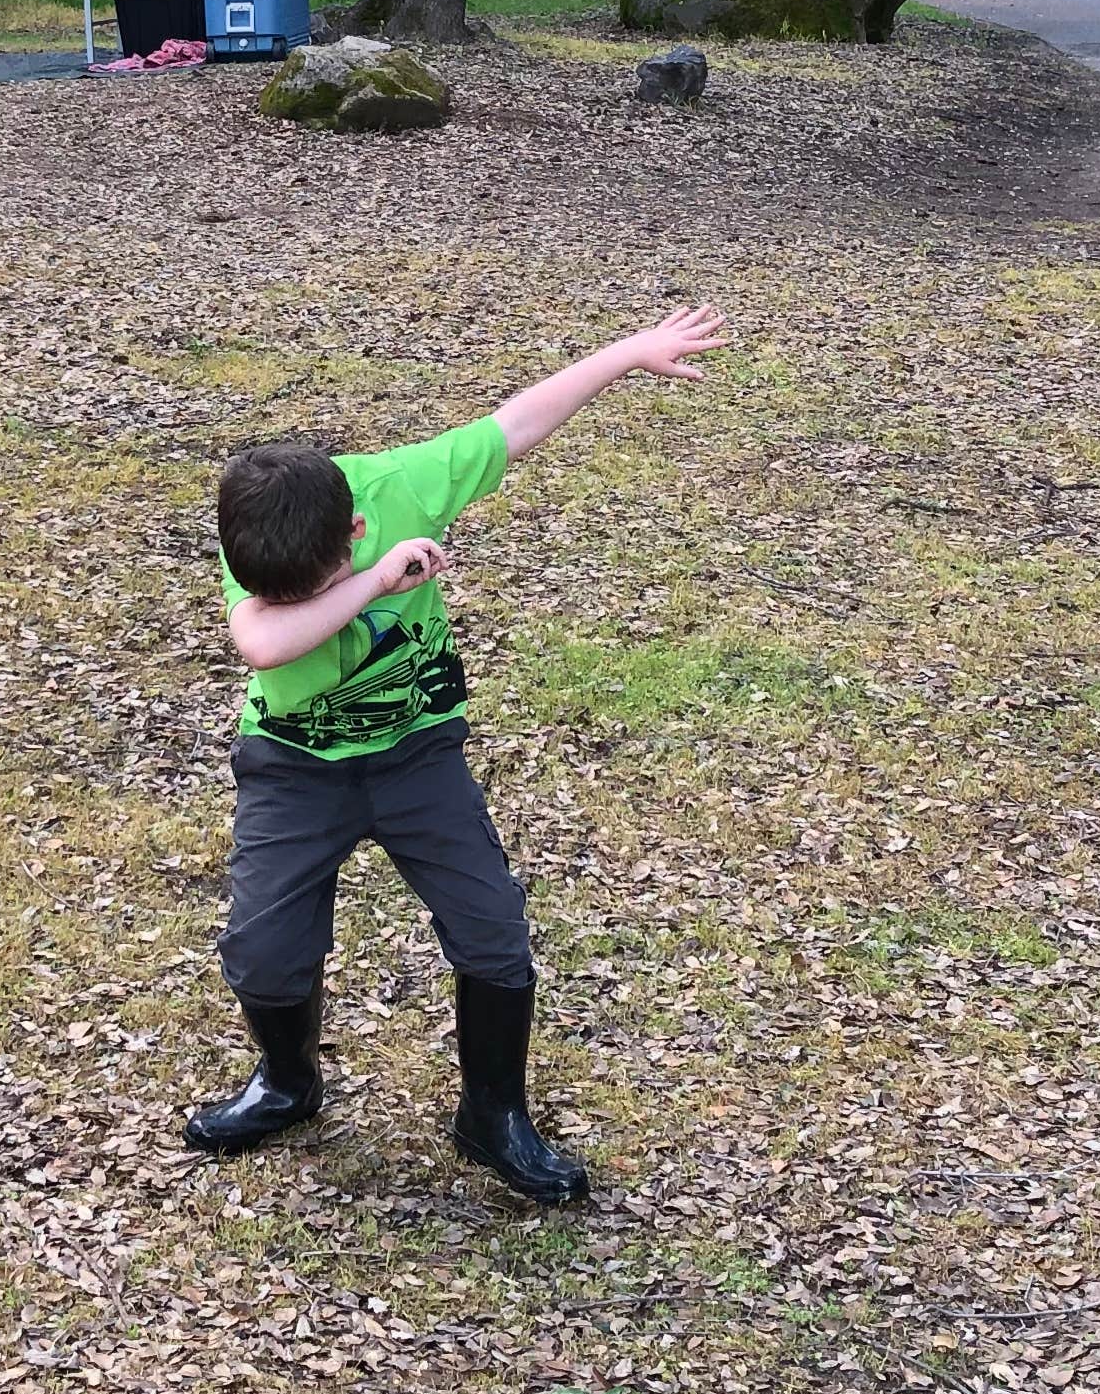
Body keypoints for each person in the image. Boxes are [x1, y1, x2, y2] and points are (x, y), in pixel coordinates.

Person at [193, 305, 734, 1203]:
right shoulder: (259, 528)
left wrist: (629, 352)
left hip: (417, 757)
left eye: (326, 578)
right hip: (293, 767)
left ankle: (493, 1116)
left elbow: (517, 423)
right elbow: (262, 645)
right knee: (262, 952)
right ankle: (287, 1084)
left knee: (494, 935)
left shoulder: (403, 485)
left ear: (355, 527)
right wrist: (375, 582)